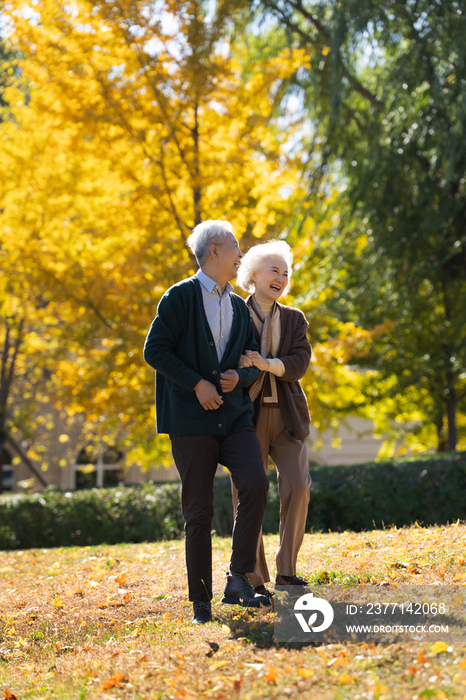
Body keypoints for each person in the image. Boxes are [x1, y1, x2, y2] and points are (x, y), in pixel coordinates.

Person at [143, 220, 271, 624]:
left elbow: (250, 357)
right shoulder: (179, 297)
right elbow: (155, 350)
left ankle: (238, 578)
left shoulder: (237, 305)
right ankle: (200, 601)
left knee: (255, 481)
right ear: (214, 250)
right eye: (235, 246)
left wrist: (242, 377)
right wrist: (198, 384)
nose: (240, 254)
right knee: (198, 511)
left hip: (234, 418)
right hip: (190, 421)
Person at [232, 240, 312, 597]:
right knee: (247, 493)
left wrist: (266, 364)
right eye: (274, 270)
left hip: (286, 414)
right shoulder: (233, 311)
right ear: (253, 274)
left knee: (298, 484)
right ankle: (252, 576)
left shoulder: (294, 318)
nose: (281, 277)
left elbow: (299, 363)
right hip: (244, 418)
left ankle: (287, 571)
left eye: (286, 272)